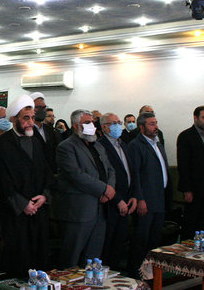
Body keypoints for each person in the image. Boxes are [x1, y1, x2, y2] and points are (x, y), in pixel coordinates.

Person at [0, 94, 53, 278]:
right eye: (26, 118)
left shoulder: (36, 141)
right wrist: (22, 204)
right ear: (14, 119)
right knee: (18, 261)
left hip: (38, 211)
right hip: (15, 215)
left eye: (32, 118)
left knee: (39, 259)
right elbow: (0, 181)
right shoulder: (2, 144)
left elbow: (47, 173)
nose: (31, 122)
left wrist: (45, 196)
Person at [55, 109, 116, 268]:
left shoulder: (98, 146)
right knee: (72, 257)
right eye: (87, 123)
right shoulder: (66, 147)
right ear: (76, 126)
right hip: (79, 211)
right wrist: (103, 189)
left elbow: (110, 169)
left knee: (93, 257)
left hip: (100, 209)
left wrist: (109, 189)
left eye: (92, 123)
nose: (92, 126)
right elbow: (76, 175)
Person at [126, 112, 172, 279]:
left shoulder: (157, 143)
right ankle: (136, 272)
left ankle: (151, 272)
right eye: (151, 124)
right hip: (146, 199)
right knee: (141, 239)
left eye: (156, 123)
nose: (156, 127)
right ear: (142, 127)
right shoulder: (135, 145)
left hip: (159, 197)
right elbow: (135, 174)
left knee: (154, 239)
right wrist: (140, 199)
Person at [98, 113, 136, 271]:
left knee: (120, 242)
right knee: (108, 244)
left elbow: (131, 172)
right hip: (110, 203)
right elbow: (105, 176)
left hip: (127, 200)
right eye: (113, 123)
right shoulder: (100, 146)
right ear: (104, 127)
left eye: (119, 122)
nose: (118, 126)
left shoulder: (123, 144)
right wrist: (117, 200)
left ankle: (115, 274)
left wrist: (133, 196)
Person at [177, 106, 204, 238]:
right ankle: (187, 247)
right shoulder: (186, 136)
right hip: (194, 186)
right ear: (195, 118)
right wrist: (187, 190)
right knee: (192, 221)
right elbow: (183, 165)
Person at [30, 92, 59, 173]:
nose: (42, 110)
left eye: (44, 107)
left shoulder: (49, 130)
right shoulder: (26, 130)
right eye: (37, 107)